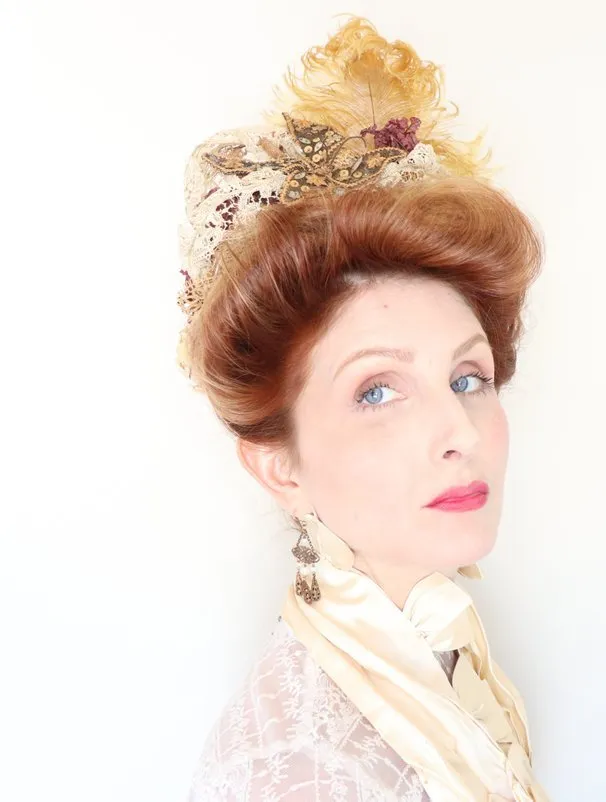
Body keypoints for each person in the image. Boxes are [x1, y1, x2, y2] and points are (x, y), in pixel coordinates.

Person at [178, 15, 550, 802]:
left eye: (469, 377)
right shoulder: (304, 773)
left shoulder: (439, 648)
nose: (459, 432)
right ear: (279, 466)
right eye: (377, 391)